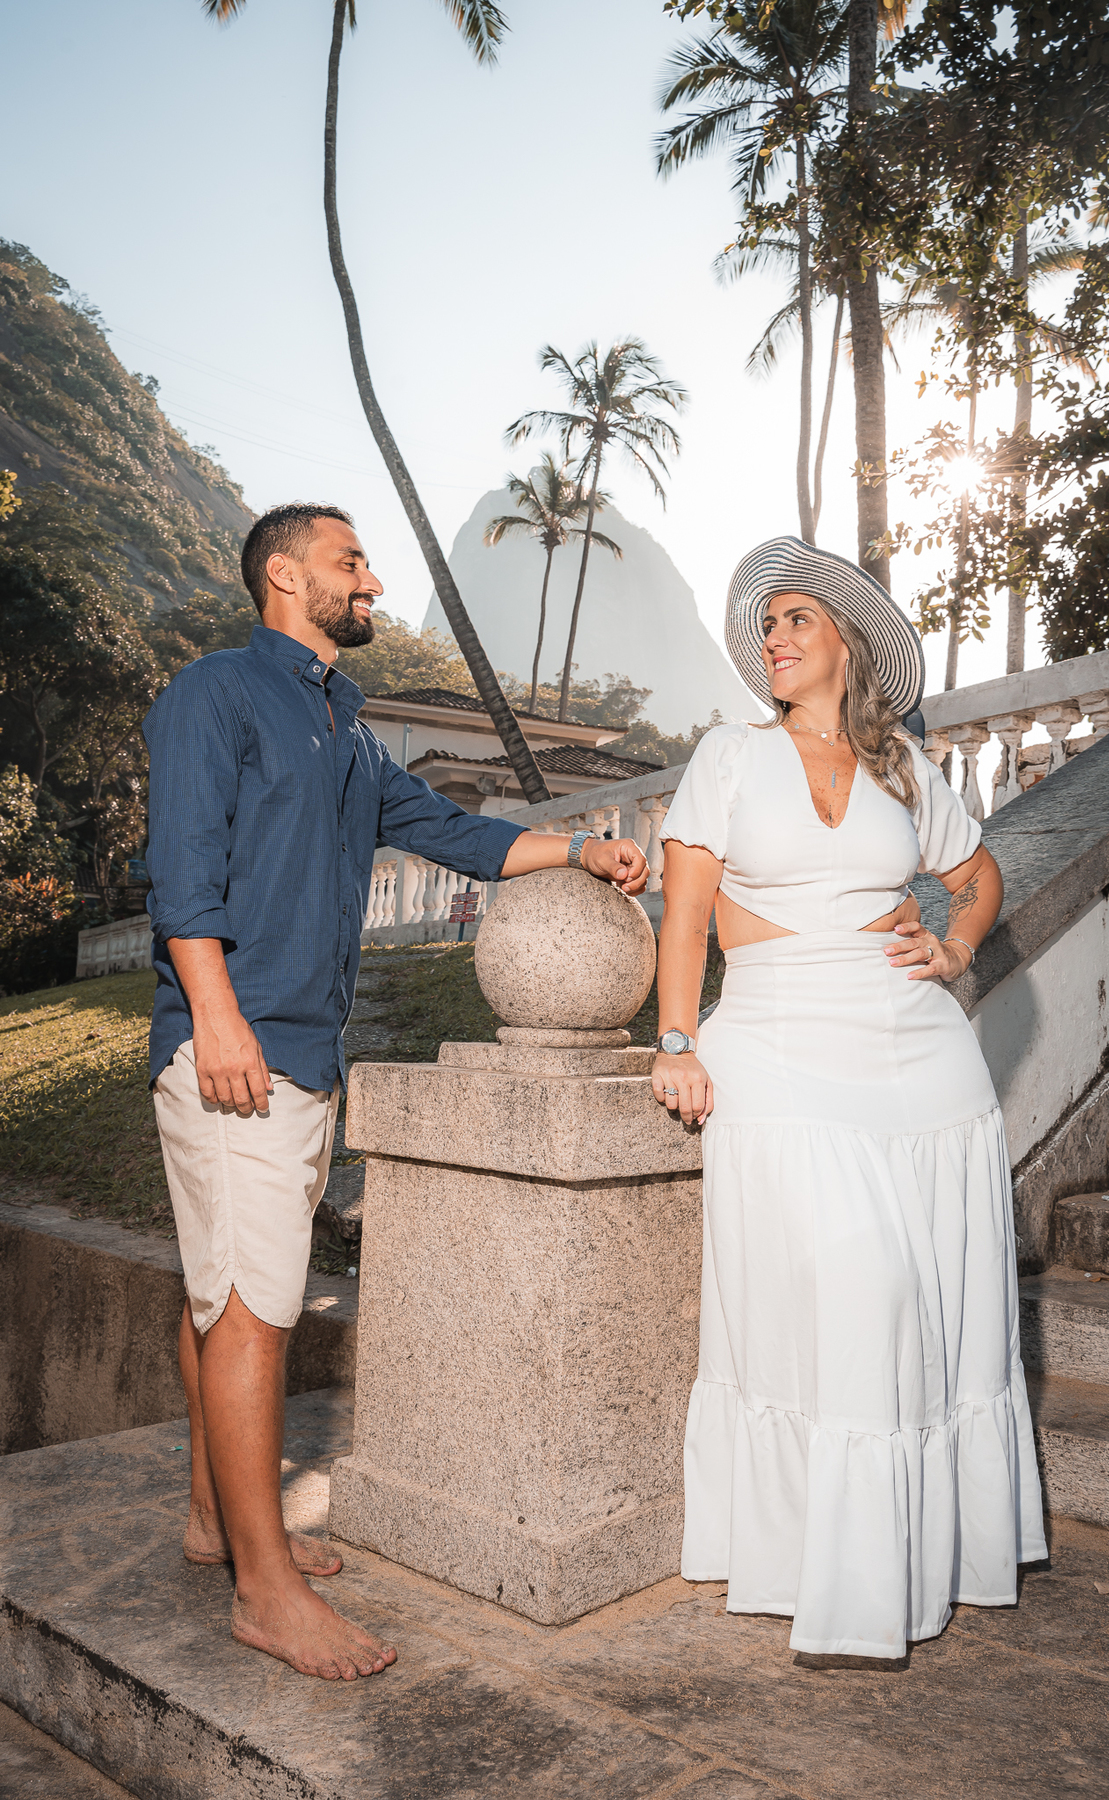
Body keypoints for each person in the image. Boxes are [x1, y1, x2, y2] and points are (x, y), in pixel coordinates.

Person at [144, 501, 647, 1683]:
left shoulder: (350, 732)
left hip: (302, 1057)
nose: (371, 581)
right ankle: (265, 1591)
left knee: (223, 1284)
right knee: (253, 1307)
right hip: (239, 1047)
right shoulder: (216, 693)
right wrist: (217, 1018)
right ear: (284, 576)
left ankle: (217, 1521)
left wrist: (579, 850)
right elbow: (182, 868)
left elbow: (455, 833)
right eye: (350, 561)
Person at [650, 536, 1046, 1664]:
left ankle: (928, 1551)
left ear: (847, 645)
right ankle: (821, 1557)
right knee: (865, 1278)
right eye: (766, 623)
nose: (773, 638)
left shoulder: (904, 767)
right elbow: (687, 911)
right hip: (775, 1035)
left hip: (918, 1050)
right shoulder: (729, 755)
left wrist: (955, 945)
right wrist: (675, 1039)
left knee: (935, 1304)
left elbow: (977, 876)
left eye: (797, 620)